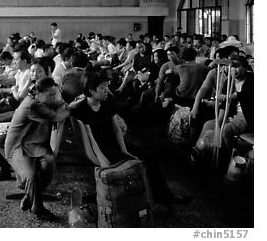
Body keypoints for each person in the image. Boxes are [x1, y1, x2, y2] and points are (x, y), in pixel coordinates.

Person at [71, 73, 191, 207]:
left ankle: (164, 196)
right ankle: (151, 199)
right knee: (136, 163)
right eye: (103, 88)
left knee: (149, 158)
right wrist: (102, 158)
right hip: (100, 148)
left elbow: (116, 130)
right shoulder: (81, 109)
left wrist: (124, 150)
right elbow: (90, 139)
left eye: (107, 87)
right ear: (91, 90)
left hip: (115, 145)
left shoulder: (106, 103)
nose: (106, 90)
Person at [5, 77, 71, 220]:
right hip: (17, 146)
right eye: (51, 95)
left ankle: (30, 196)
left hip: (33, 143)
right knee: (31, 175)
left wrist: (60, 104)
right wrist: (65, 109)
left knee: (49, 163)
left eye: (55, 94)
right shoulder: (33, 105)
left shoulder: (43, 101)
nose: (54, 98)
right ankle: (37, 207)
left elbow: (60, 104)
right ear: (38, 93)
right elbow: (58, 116)